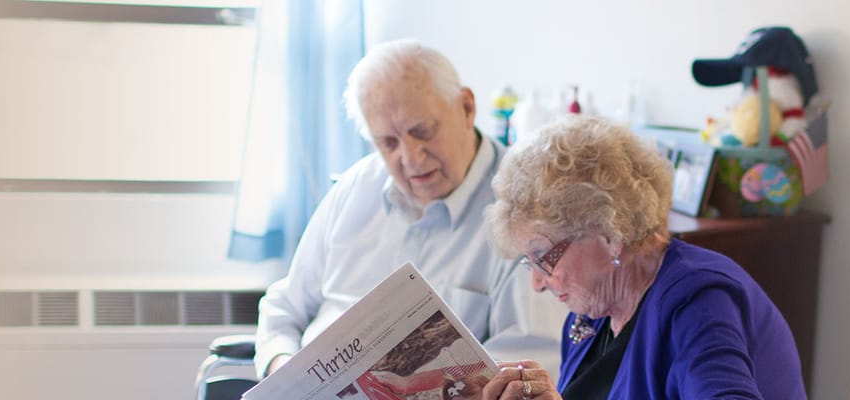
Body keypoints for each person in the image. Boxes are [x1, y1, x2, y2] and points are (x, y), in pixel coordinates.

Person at [254, 40, 567, 379]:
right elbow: (284, 310)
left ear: (466, 107)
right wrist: (284, 371)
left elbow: (529, 364)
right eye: (388, 143)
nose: (411, 158)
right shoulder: (355, 188)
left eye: (423, 131)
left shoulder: (525, 207)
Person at [478, 116, 806, 399]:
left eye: (543, 257)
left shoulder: (698, 304)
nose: (537, 282)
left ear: (609, 234)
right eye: (530, 262)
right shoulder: (589, 314)